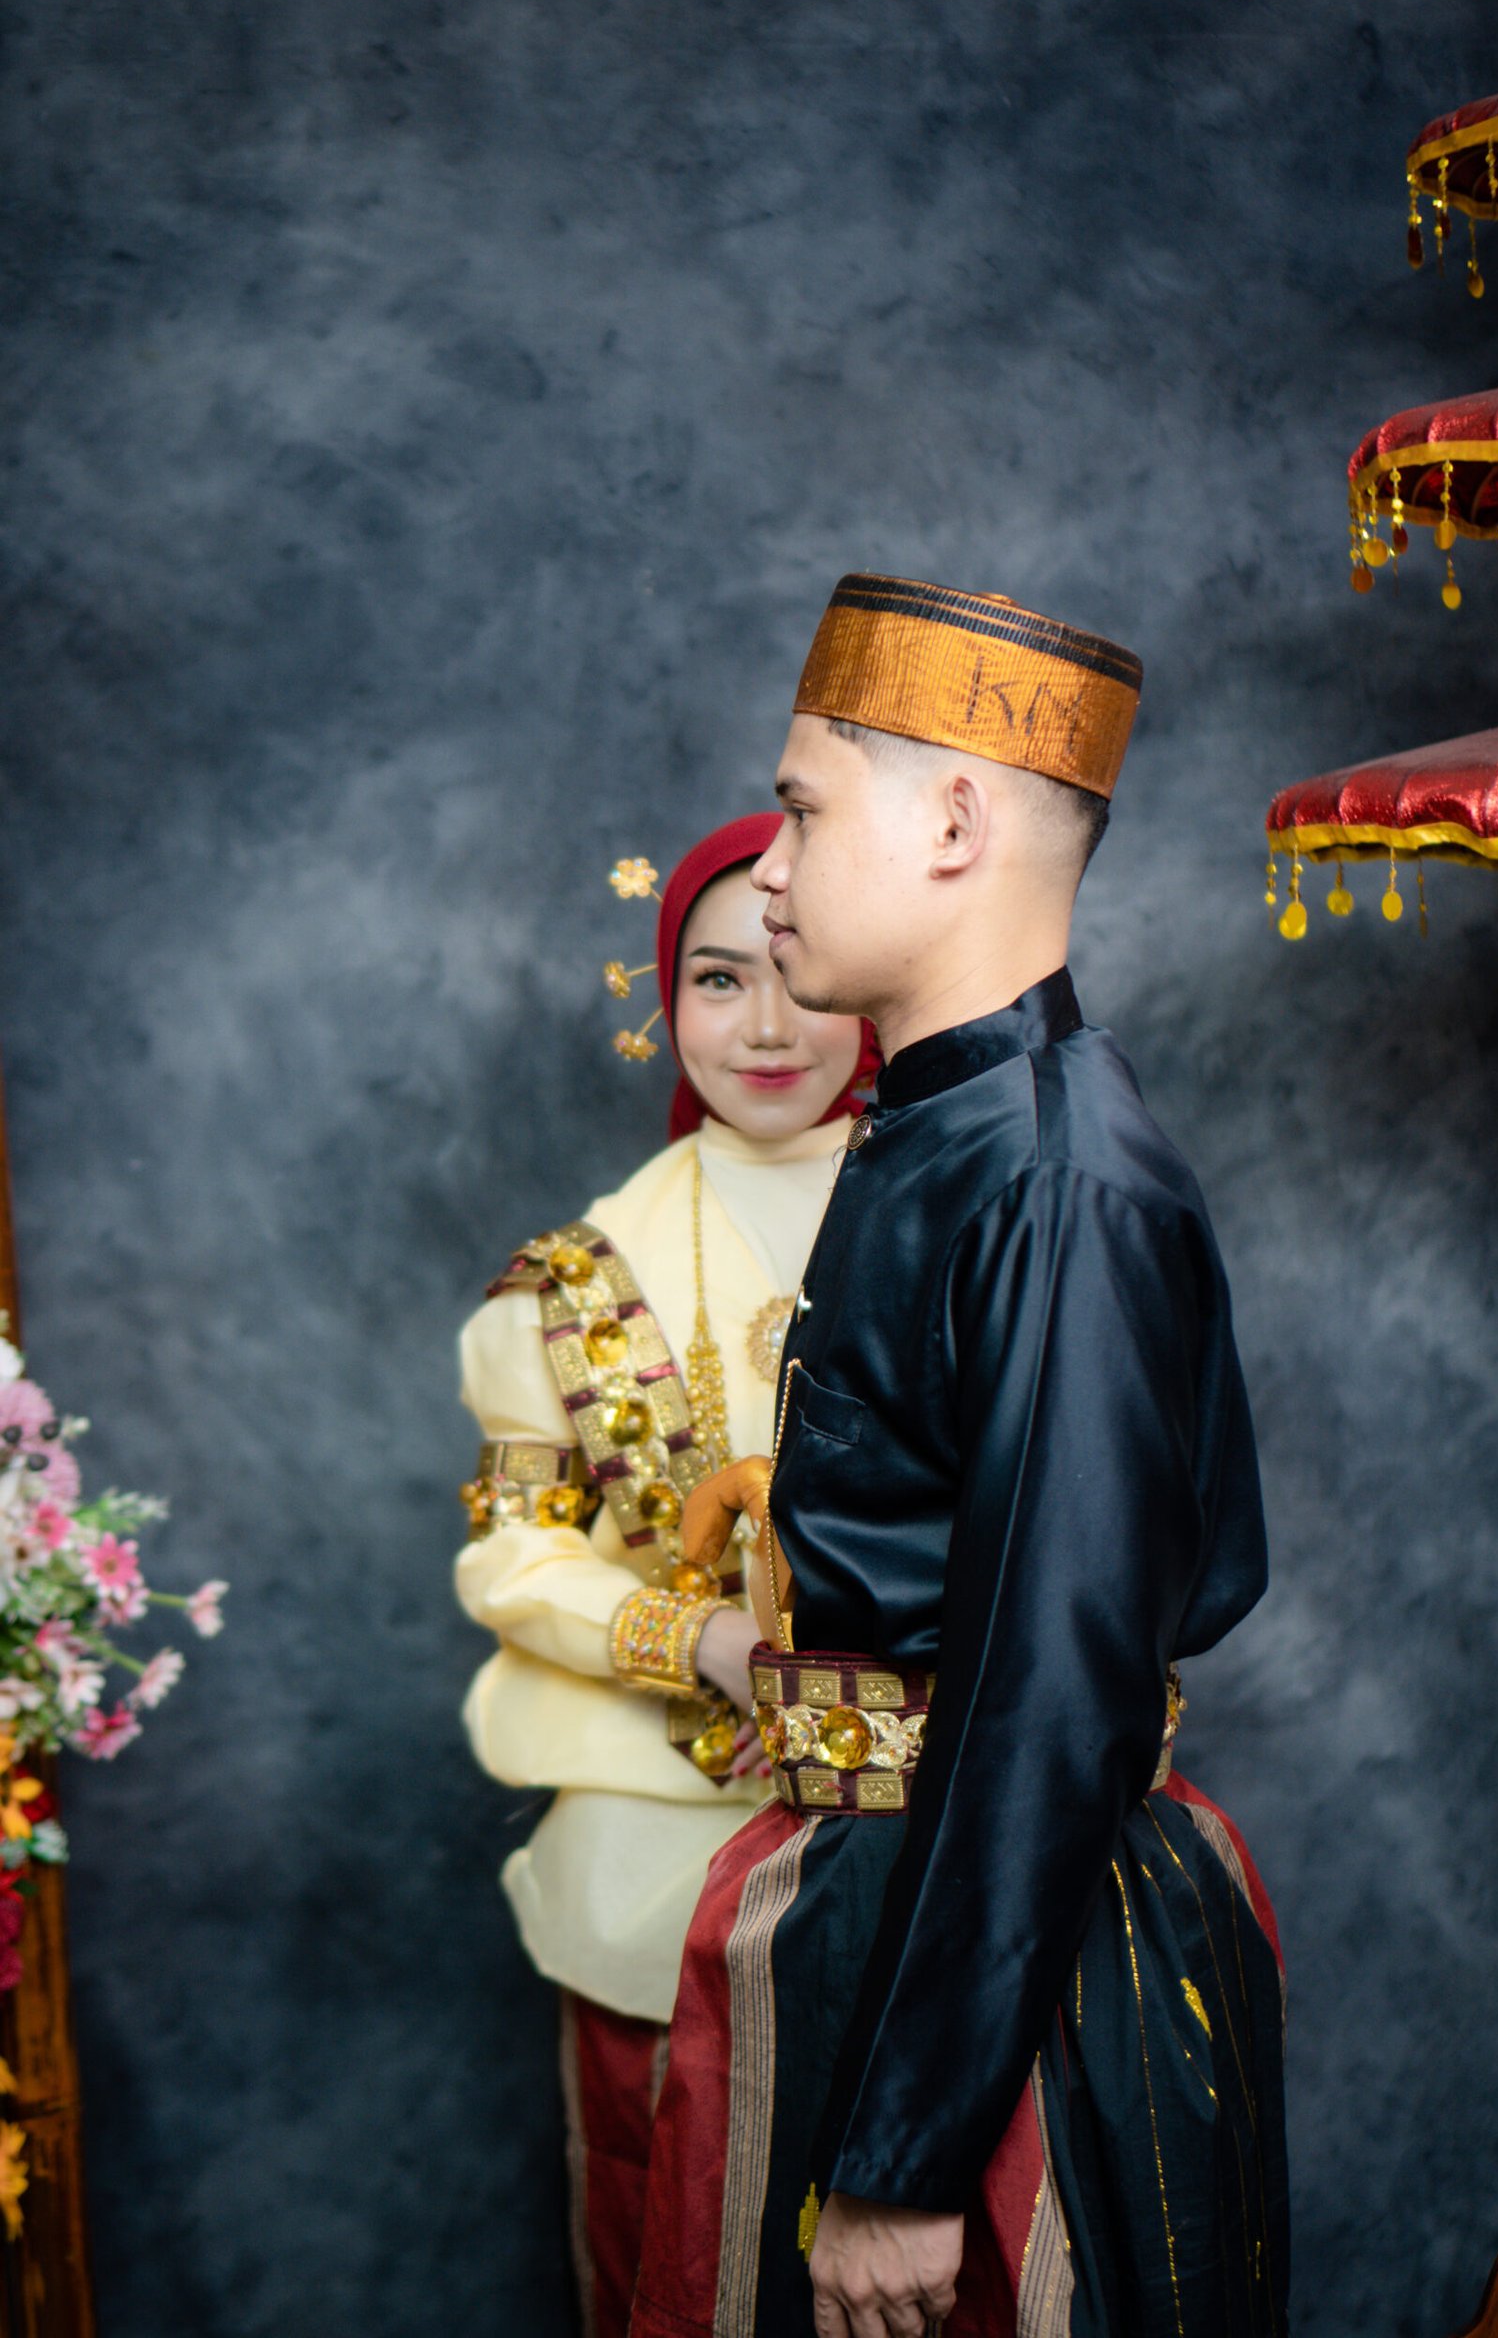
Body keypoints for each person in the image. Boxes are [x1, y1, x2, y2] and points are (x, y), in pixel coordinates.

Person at [630, 578, 1289, 2338]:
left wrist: (910, 2152)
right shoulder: (940, 1125)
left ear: (954, 822)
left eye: (801, 810)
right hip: (881, 1905)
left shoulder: (1059, 1177)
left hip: (1000, 1976)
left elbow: (1051, 1690)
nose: (770, 869)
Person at [453, 813, 876, 2338]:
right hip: (650, 1874)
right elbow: (514, 1548)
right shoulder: (573, 1283)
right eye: (716, 979)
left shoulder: (976, 1213)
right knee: (675, 2275)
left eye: (800, 974)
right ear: (664, 996)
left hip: (928, 1852)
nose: (766, 1026)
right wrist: (693, 1640)